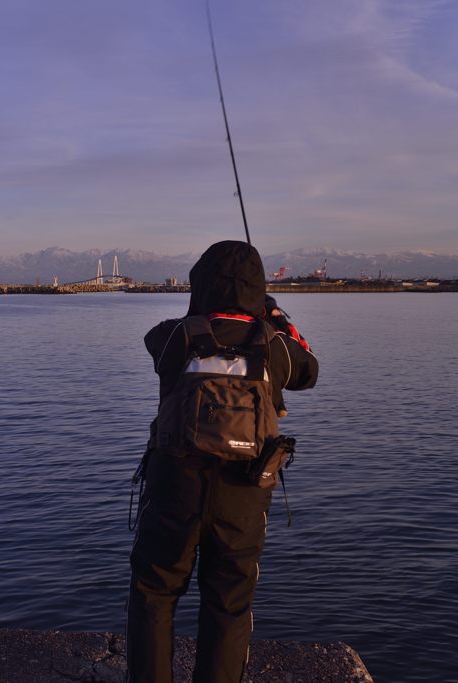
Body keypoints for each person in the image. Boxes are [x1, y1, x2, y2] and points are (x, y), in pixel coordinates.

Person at [126, 240, 319, 683]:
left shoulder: (175, 337)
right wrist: (274, 316)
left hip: (175, 482)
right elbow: (310, 369)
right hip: (245, 488)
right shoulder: (276, 347)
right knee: (229, 603)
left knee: (154, 593)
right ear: (256, 287)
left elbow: (151, 340)